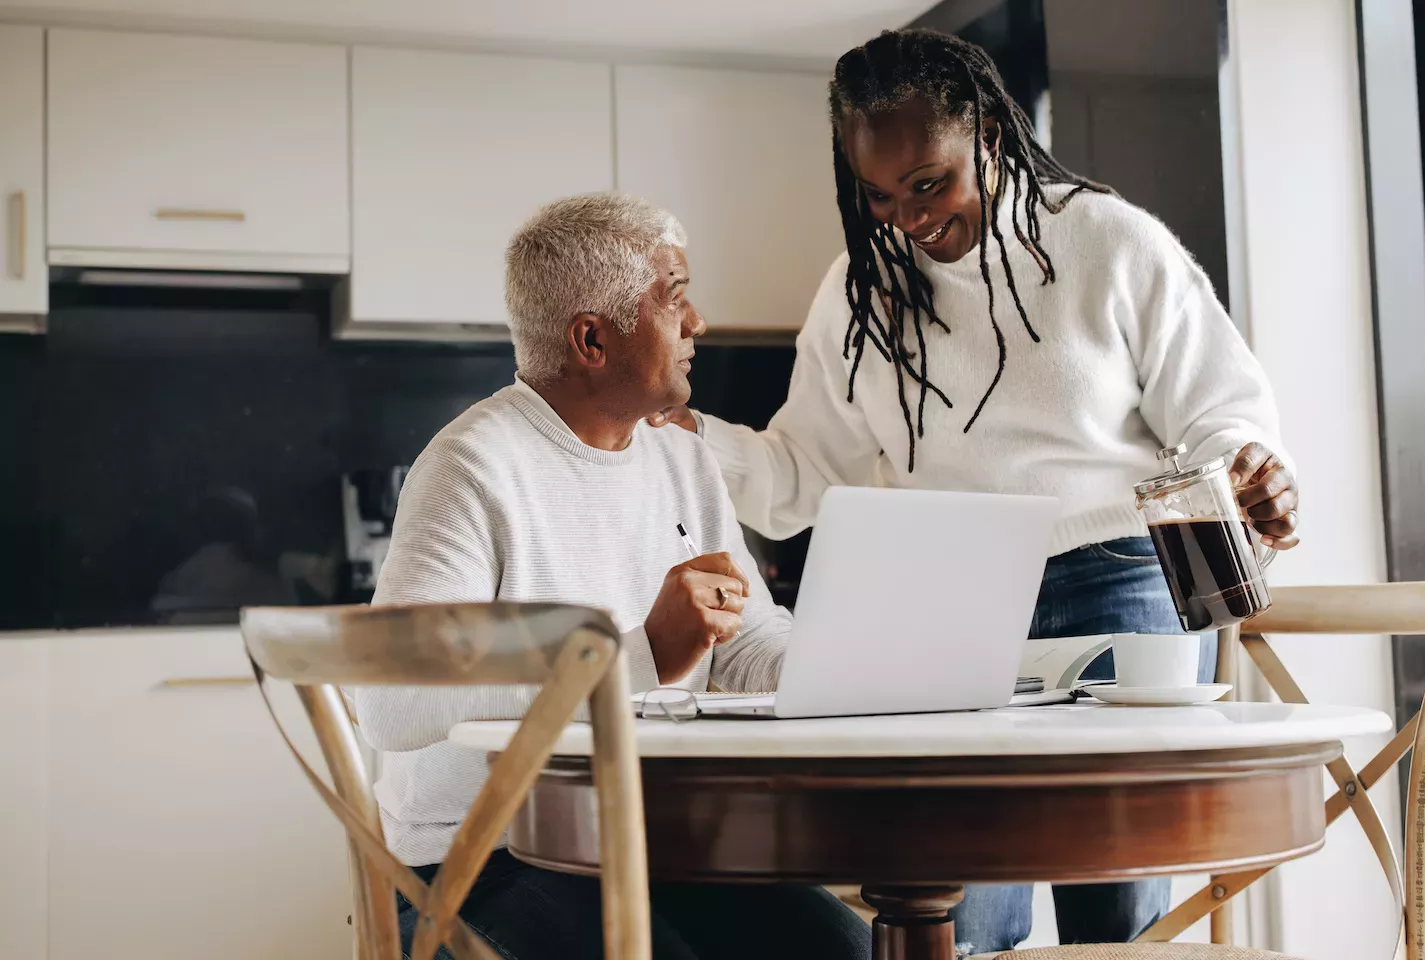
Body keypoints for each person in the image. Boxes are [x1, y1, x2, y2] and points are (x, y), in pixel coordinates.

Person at [647, 29, 1299, 954]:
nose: (905, 218)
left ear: (990, 130)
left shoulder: (1108, 241)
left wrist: (1250, 471)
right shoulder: (859, 292)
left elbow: (1223, 417)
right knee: (958, 901)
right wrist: (690, 441)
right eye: (876, 194)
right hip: (950, 594)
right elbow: (804, 477)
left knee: (1109, 902)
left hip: (1118, 576)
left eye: (927, 184)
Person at [355, 194, 870, 960]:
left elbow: (747, 634)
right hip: (479, 864)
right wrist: (638, 656)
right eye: (675, 298)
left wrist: (847, 670)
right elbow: (393, 700)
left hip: (657, 842)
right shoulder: (471, 465)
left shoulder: (682, 457)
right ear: (593, 339)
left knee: (851, 954)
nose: (697, 324)